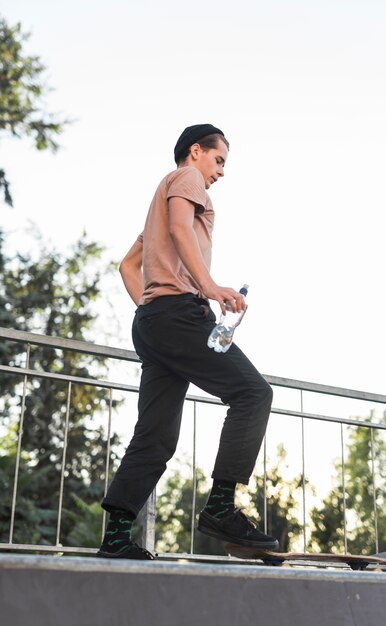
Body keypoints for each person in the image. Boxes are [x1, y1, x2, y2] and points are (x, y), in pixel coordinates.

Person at [97, 123, 278, 560]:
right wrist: (209, 287)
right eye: (219, 160)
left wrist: (151, 306)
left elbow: (127, 265)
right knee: (253, 393)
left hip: (157, 322)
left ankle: (116, 538)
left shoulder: (159, 203)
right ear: (196, 151)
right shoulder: (186, 178)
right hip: (177, 316)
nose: (221, 172)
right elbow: (181, 230)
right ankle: (219, 508)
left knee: (155, 438)